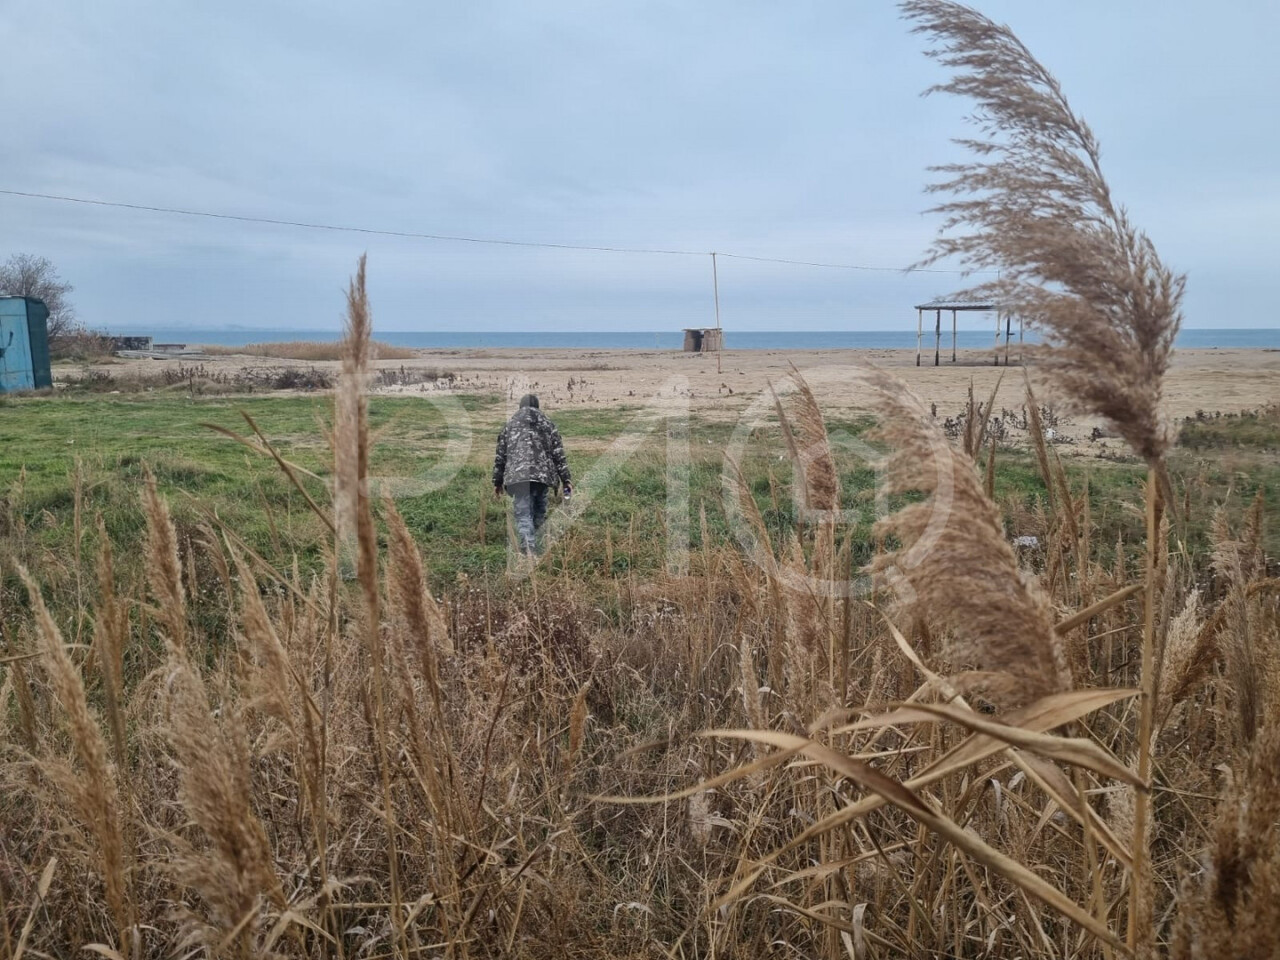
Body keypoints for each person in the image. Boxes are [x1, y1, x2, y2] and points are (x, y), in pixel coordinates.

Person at [492, 394, 572, 556]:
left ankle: (529, 550)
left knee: (523, 515)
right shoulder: (549, 425)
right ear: (538, 407)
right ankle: (538, 547)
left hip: (517, 478)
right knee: (539, 512)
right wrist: (566, 480)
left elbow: (501, 457)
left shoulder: (509, 426)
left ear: (520, 407)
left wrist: (497, 481)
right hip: (542, 478)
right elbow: (559, 455)